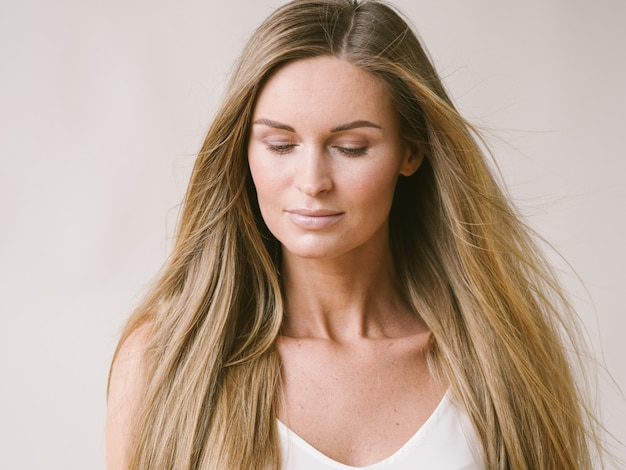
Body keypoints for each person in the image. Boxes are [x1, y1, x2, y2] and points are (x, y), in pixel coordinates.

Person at [106, 0, 606, 468]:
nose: (312, 182)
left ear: (410, 152)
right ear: (243, 150)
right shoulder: (164, 359)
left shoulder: (499, 358)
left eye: (350, 147)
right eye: (281, 145)